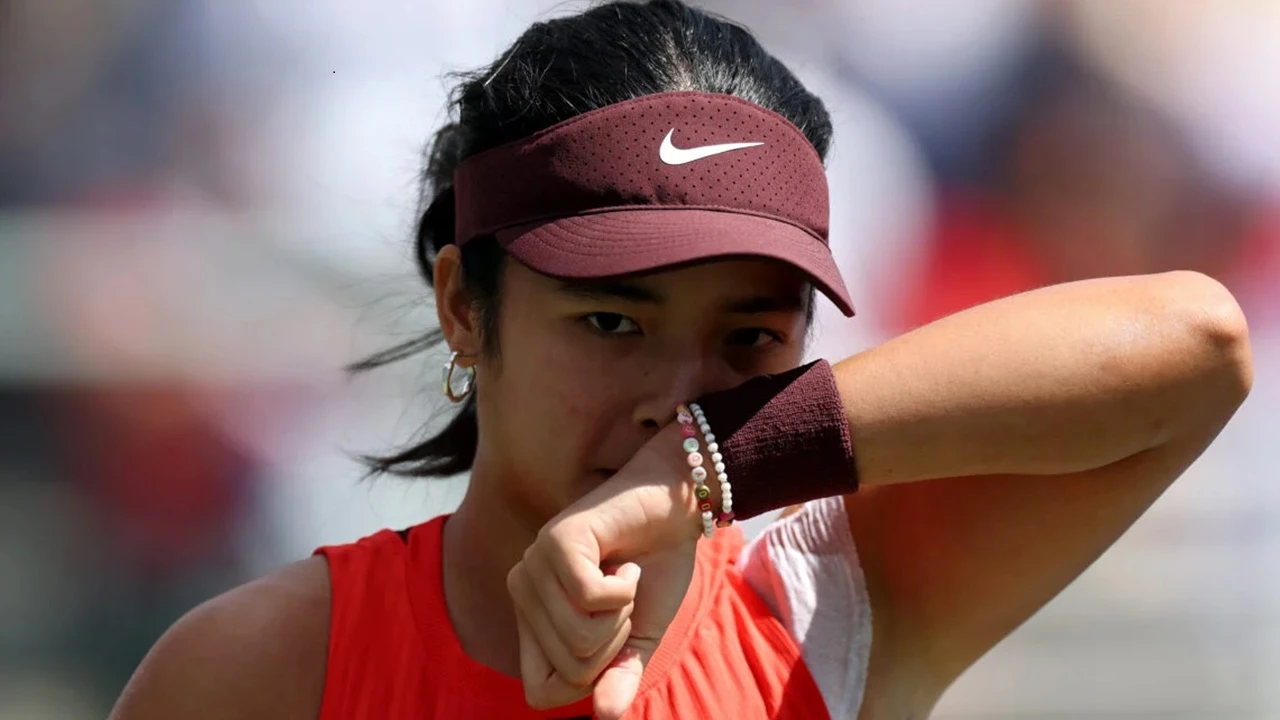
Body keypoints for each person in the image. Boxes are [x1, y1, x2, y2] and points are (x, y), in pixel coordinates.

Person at [108, 2, 1254, 719]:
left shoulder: (828, 608)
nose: (676, 394)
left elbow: (1197, 345)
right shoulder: (262, 668)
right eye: (612, 322)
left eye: (748, 337)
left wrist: (703, 466)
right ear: (463, 305)